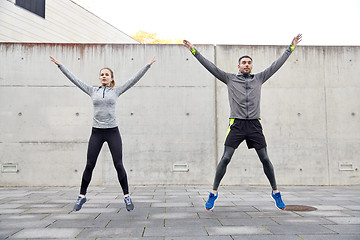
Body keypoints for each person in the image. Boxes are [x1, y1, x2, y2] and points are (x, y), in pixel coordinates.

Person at [183, 34, 302, 211]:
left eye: (249, 62)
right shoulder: (230, 78)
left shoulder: (259, 78)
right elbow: (210, 66)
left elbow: (276, 65)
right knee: (226, 158)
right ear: (239, 66)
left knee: (265, 159)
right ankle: (213, 193)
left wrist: (290, 48)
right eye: (244, 63)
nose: (247, 65)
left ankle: (276, 192)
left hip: (254, 125)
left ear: (251, 66)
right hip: (237, 125)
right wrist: (194, 50)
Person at [50, 56, 156, 212]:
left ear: (111, 78)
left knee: (118, 164)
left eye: (107, 74)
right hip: (97, 133)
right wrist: (60, 65)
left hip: (113, 132)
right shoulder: (92, 91)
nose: (104, 76)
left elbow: (133, 80)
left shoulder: (116, 91)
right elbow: (75, 79)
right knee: (89, 165)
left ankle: (126, 196)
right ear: (99, 78)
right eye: (102, 74)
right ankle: (82, 196)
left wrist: (147, 65)